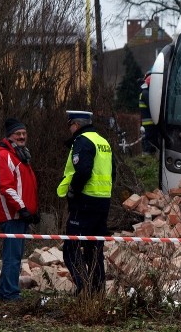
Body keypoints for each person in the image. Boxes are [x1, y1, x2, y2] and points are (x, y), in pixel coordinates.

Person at [57, 110, 113, 296]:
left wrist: (73, 191)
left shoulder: (82, 141)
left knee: (71, 248)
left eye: (70, 125)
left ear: (77, 125)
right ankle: (97, 291)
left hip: (85, 201)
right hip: (103, 202)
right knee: (94, 250)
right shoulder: (103, 142)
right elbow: (113, 172)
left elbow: (83, 171)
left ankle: (83, 287)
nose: (70, 129)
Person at [0, 117, 39, 301]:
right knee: (12, 256)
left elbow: (26, 186)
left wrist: (32, 210)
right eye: (18, 133)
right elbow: (6, 187)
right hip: (11, 215)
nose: (22, 136)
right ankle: (10, 294)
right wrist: (23, 209)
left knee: (15, 255)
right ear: (9, 136)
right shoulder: (3, 156)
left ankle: (5, 290)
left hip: (20, 215)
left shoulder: (20, 154)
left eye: (24, 133)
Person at [139, 73, 158, 154]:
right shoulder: (146, 94)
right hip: (149, 123)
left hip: (147, 123)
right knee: (149, 143)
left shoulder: (144, 92)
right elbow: (153, 106)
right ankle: (148, 157)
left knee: (149, 141)